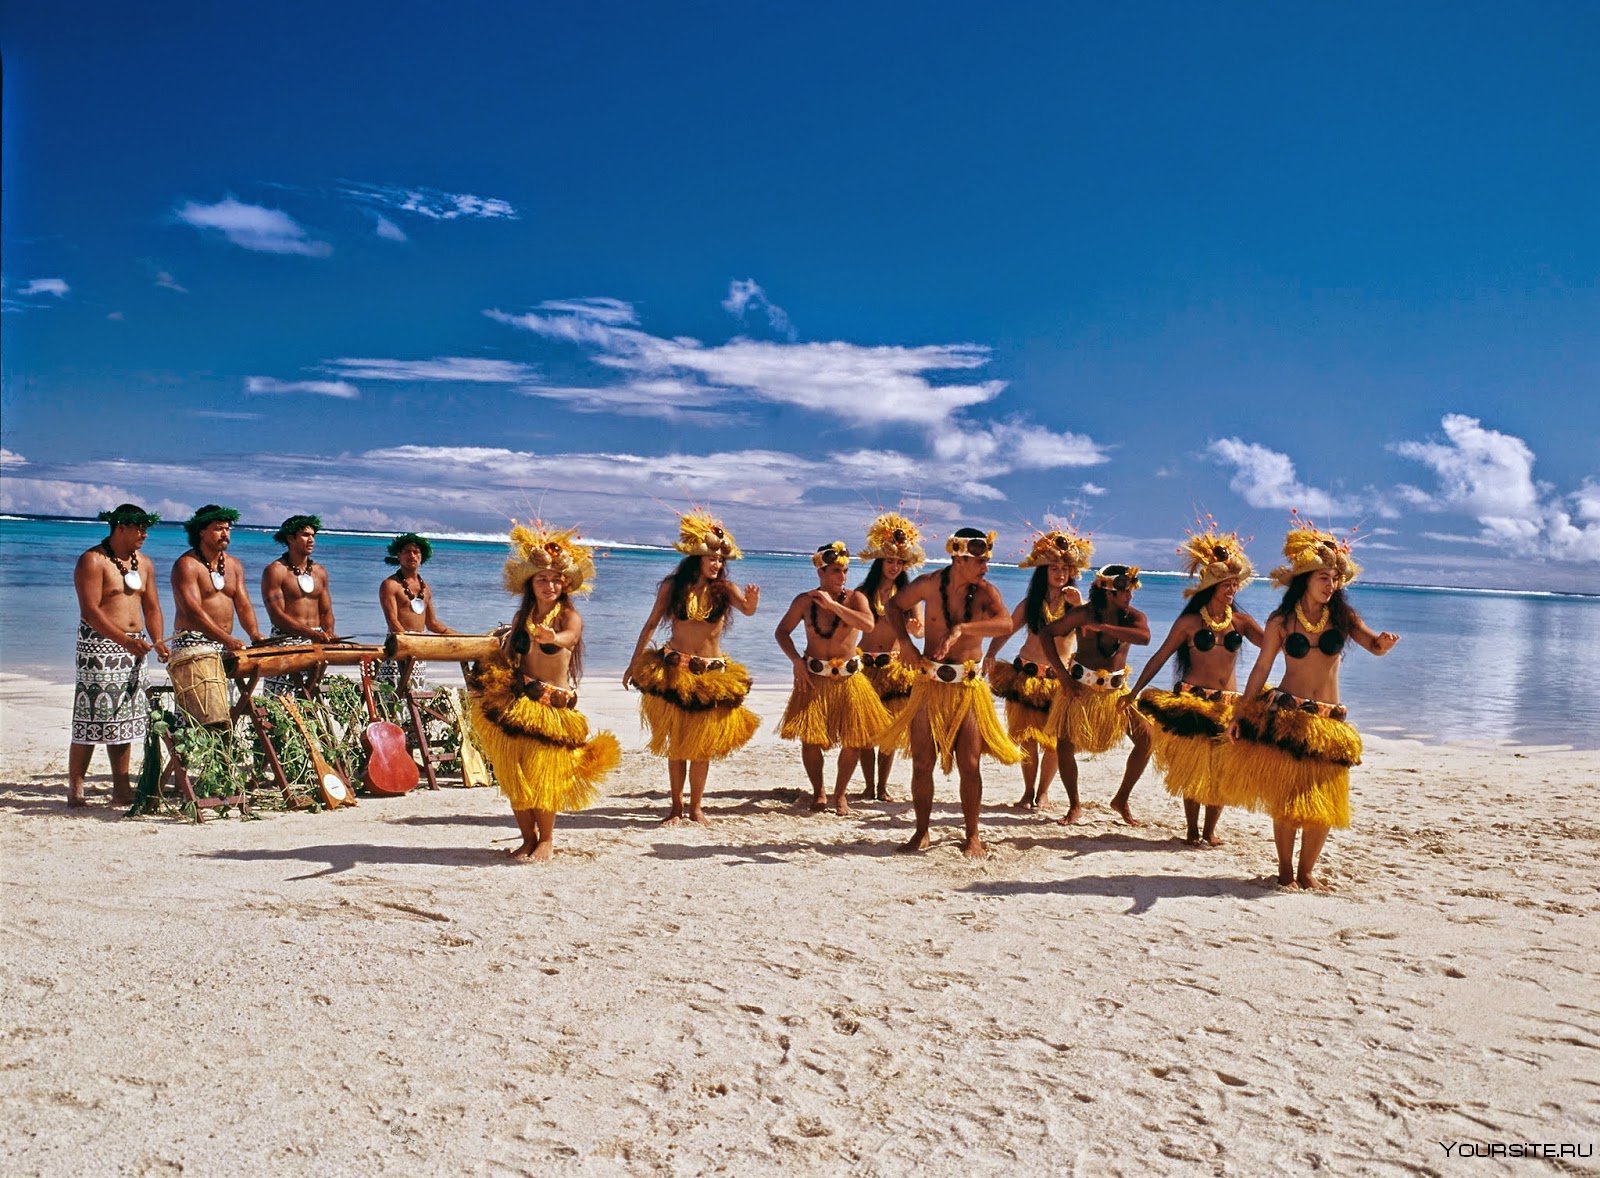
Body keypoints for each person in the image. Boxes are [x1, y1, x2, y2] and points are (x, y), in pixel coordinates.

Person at [1229, 521, 1399, 890]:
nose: (1331, 585)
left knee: (1325, 803)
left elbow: (1372, 645)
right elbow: (1261, 669)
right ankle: (1286, 871)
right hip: (1287, 716)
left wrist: (1384, 644)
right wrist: (1240, 712)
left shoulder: (1343, 618)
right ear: (1305, 579)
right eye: (1324, 577)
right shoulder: (1281, 621)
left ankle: (1307, 872)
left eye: (1335, 578)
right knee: (1287, 801)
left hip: (1328, 722)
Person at [469, 522, 619, 861]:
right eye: (542, 579)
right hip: (518, 705)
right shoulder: (522, 617)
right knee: (515, 775)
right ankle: (527, 838)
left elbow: (570, 638)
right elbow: (510, 658)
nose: (549, 585)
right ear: (530, 584)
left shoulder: (569, 616)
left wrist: (553, 638)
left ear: (564, 584)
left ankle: (547, 840)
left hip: (551, 709)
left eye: (555, 579)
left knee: (542, 777)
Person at [879, 527, 1022, 859]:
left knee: (970, 764)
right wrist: (905, 642)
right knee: (922, 762)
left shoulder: (986, 591)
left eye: (987, 560)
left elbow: (1006, 625)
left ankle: (973, 835)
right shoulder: (929, 583)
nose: (985, 567)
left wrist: (962, 629)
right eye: (980, 561)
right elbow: (893, 607)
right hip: (929, 684)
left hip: (968, 686)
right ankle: (921, 831)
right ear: (959, 557)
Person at [1123, 525, 1263, 845]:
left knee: (1221, 772)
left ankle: (1211, 830)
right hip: (1192, 703)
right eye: (1226, 585)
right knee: (1194, 769)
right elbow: (1159, 656)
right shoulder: (1188, 623)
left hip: (1227, 705)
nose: (1232, 590)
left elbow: (1272, 646)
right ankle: (1191, 829)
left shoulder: (1240, 622)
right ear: (1210, 587)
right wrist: (1133, 691)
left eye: (1234, 584)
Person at [623, 511, 760, 825]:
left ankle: (696, 807)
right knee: (677, 745)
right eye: (711, 558)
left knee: (701, 748)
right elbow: (650, 625)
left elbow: (748, 611)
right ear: (696, 558)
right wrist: (633, 664)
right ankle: (675, 807)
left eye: (720, 560)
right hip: (675, 671)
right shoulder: (673, 587)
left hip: (711, 676)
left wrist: (752, 603)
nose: (717, 564)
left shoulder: (725, 589)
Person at [774, 542, 890, 815]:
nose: (842, 577)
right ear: (821, 572)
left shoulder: (856, 598)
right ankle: (819, 792)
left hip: (849, 679)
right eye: (836, 571)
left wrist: (834, 607)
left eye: (845, 571)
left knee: (853, 739)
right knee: (810, 740)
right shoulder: (804, 601)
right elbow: (782, 632)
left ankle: (840, 794)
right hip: (814, 677)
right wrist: (796, 662)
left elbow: (868, 624)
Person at [68, 504, 169, 807]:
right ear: (120, 527)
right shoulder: (93, 560)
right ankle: (76, 786)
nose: (144, 534)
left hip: (133, 648)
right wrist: (123, 640)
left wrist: (159, 640)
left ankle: (121, 788)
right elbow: (90, 611)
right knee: (90, 715)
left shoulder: (145, 564)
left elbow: (151, 607)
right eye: (139, 528)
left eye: (145, 528)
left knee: (123, 718)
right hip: (98, 647)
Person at [984, 527, 1092, 812]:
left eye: (1065, 568)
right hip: (1025, 677)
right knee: (1027, 740)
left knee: (1055, 744)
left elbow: (1089, 638)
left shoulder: (1078, 606)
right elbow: (1007, 628)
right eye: (1053, 568)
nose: (1059, 573)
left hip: (1059, 682)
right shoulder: (1031, 603)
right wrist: (991, 652)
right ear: (1042, 571)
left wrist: (1079, 605)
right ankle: (1028, 790)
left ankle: (1043, 793)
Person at [1039, 564, 1152, 825]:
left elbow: (1144, 638)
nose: (1130, 596)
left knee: (1146, 740)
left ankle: (1121, 799)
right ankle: (1074, 805)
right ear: (1108, 593)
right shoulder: (1083, 614)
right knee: (1065, 745)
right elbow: (1047, 634)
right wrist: (1063, 677)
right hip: (1080, 690)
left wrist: (1103, 629)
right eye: (1125, 593)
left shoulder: (1133, 617)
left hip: (1116, 693)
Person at [851, 512, 925, 802]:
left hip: (895, 668)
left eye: (899, 562)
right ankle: (869, 785)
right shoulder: (862, 592)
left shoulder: (908, 595)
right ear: (879, 562)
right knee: (866, 732)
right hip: (865, 666)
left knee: (889, 733)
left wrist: (916, 628)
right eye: (889, 561)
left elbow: (918, 634)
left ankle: (882, 787)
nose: (894, 566)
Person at [170, 504, 265, 658]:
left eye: (227, 529)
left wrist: (254, 633)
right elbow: (192, 611)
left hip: (225, 643)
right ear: (201, 532)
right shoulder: (187, 564)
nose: (225, 534)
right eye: (218, 529)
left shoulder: (234, 565)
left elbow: (243, 605)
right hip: (193, 642)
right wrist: (227, 639)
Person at [260, 514, 335, 694]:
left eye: (313, 535)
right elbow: (277, 616)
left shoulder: (320, 572)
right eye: (305, 535)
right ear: (290, 538)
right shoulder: (276, 571)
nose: (311, 539)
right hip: (285, 641)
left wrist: (329, 633)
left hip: (316, 643)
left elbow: (326, 611)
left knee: (310, 702)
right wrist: (310, 633)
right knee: (279, 706)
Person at [377, 531, 455, 691]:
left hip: (419, 648)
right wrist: (408, 644)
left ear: (422, 556)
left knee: (415, 698)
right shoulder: (390, 585)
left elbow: (432, 624)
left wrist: (460, 637)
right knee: (391, 699)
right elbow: (393, 623)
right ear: (398, 555)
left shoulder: (425, 588)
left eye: (416, 552)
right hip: (397, 647)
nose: (412, 555)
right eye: (407, 551)